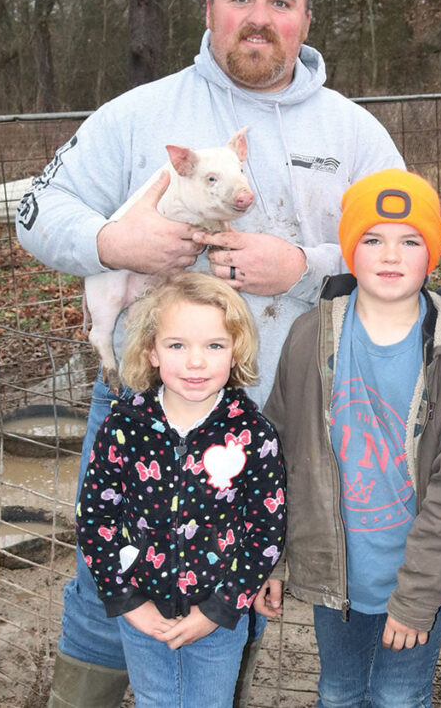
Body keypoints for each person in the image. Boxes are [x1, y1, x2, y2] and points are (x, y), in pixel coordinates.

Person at [15, 0, 404, 706]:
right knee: (106, 576)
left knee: (247, 571)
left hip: (295, 410)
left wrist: (305, 266)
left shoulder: (354, 134)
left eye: (280, 1)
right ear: (210, 7)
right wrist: (111, 240)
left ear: (304, 18)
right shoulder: (140, 114)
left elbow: (409, 253)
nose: (258, 16)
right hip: (144, 404)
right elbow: (33, 208)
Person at [255, 169, 441, 707]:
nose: (390, 255)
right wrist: (271, 559)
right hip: (336, 571)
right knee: (338, 693)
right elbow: (276, 457)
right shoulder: (310, 336)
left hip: (417, 572)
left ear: (433, 253)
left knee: (398, 696)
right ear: (350, 250)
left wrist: (418, 597)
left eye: (409, 241)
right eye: (372, 240)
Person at [75, 271, 285, 708]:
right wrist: (127, 601)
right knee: (155, 701)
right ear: (151, 351)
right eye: (177, 345)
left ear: (235, 351)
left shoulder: (253, 435)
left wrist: (221, 608)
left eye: (214, 345)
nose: (195, 362)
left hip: (217, 617)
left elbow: (266, 530)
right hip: (142, 612)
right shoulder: (122, 428)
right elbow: (95, 518)